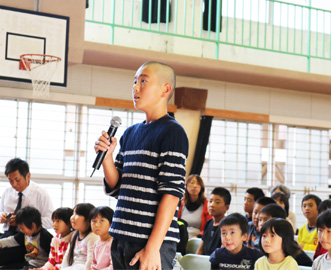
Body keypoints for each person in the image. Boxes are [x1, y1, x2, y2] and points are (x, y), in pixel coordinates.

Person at [94, 61, 188, 270]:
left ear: (165, 89)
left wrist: (153, 247)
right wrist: (107, 158)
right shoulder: (130, 133)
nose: (135, 88)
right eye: (134, 82)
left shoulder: (172, 132)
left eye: (143, 81)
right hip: (121, 237)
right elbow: (117, 186)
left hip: (150, 242)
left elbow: (172, 193)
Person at [0, 158, 54, 265]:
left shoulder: (40, 193)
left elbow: (51, 221)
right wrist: (2, 217)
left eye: (17, 180)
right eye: (10, 180)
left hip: (28, 240)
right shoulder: (7, 192)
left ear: (28, 176)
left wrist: (24, 222)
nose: (14, 184)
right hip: (8, 233)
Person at [61, 203, 99, 270]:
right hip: (73, 267)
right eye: (73, 214)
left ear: (88, 219)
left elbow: (91, 260)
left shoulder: (92, 237)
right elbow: (67, 256)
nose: (72, 217)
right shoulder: (75, 235)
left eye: (77, 214)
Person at [196, 187, 231, 255]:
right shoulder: (208, 223)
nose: (212, 205)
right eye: (210, 201)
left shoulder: (227, 226)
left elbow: (223, 254)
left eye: (217, 202)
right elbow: (200, 251)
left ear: (226, 208)